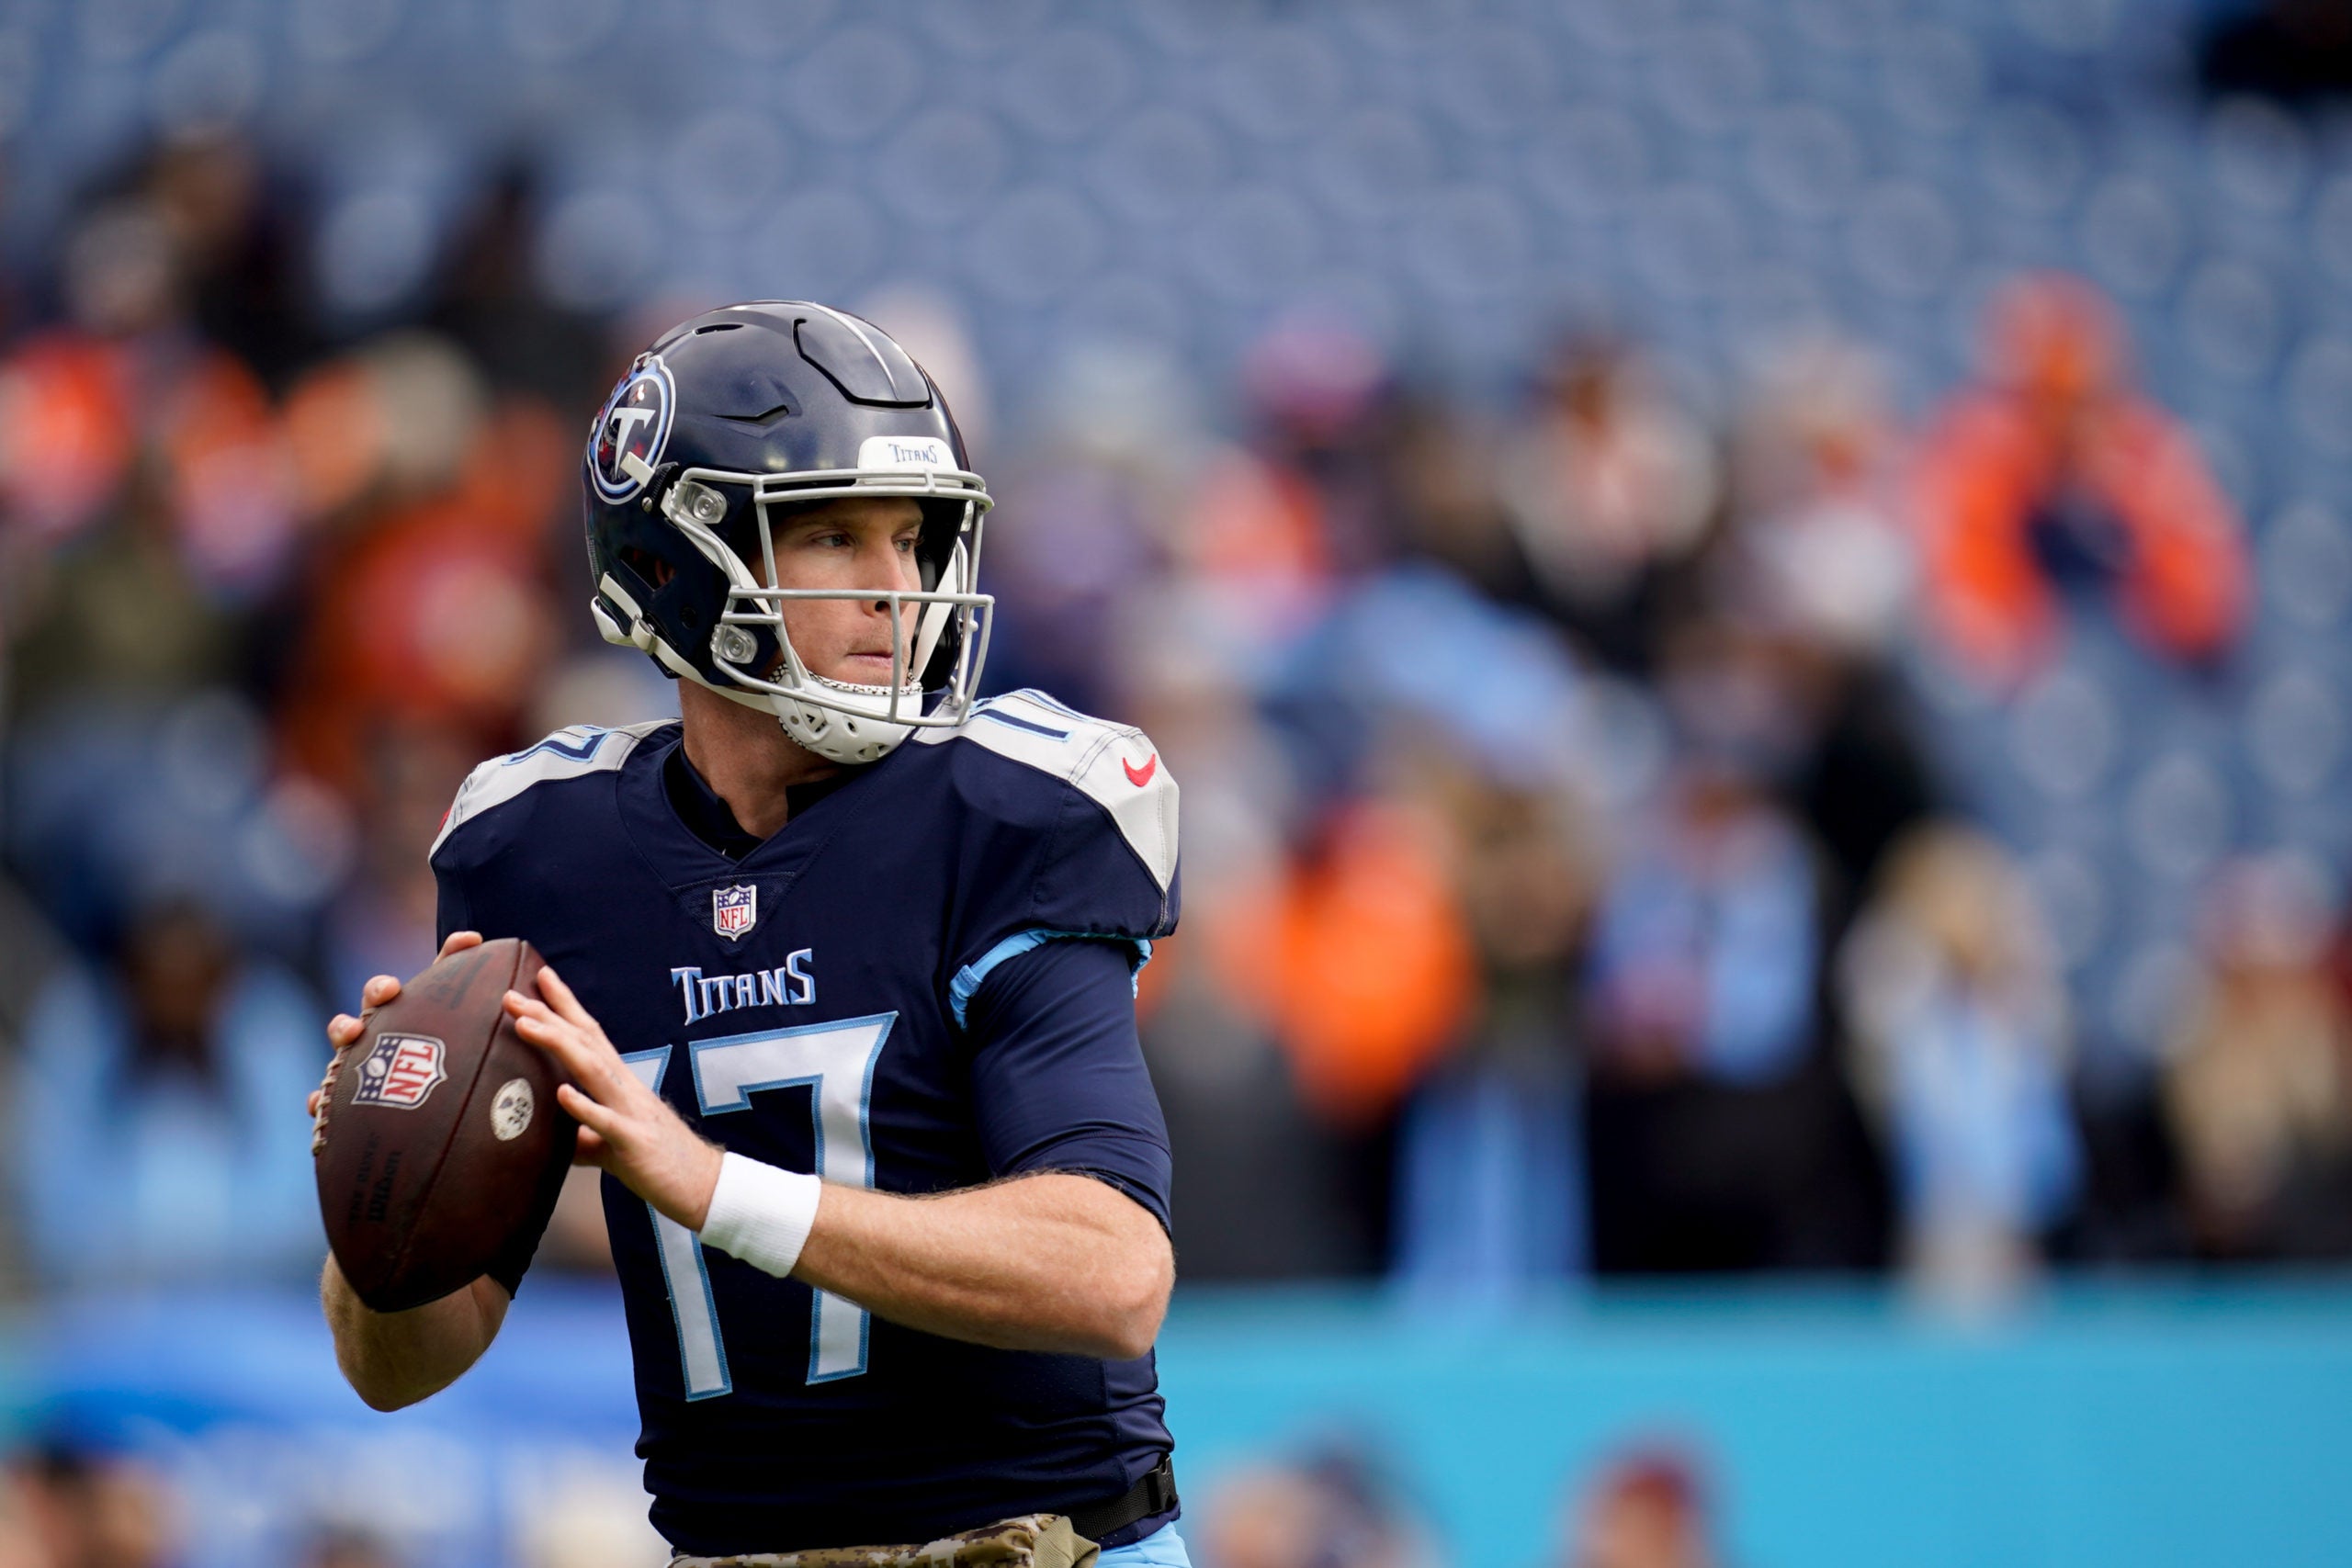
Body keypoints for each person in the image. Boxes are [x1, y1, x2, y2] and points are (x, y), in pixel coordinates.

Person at [310, 303, 1187, 1565]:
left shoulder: (1006, 817)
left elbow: (1111, 1276)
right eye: (832, 537)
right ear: (671, 559)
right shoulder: (539, 853)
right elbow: (396, 1371)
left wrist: (709, 1182)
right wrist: (380, 1193)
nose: (898, 588)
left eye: (914, 537)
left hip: (1040, 1543)